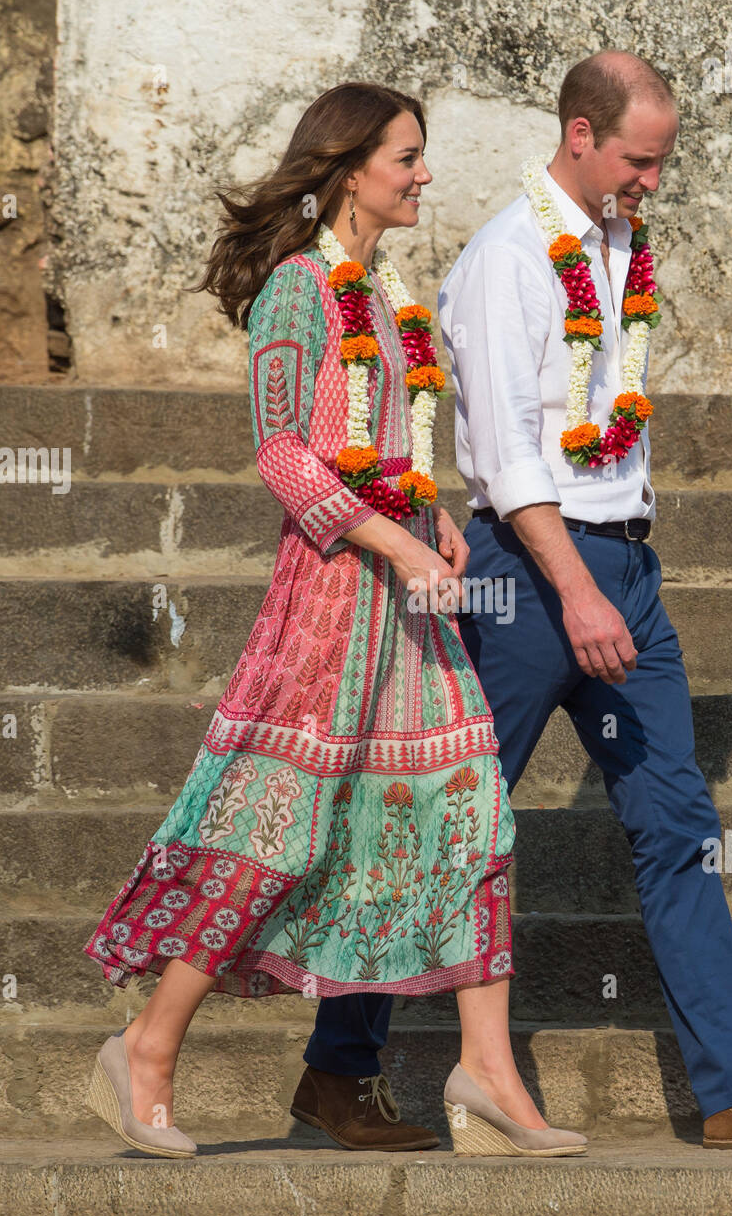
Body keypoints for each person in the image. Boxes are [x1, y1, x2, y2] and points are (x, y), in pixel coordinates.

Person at [308, 53, 732, 1151]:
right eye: (636, 160)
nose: (649, 182)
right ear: (578, 134)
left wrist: (616, 575)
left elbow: (604, 410)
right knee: (445, 821)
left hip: (626, 566)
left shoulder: (618, 245)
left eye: (659, 163)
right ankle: (336, 1069)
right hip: (529, 578)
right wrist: (573, 591)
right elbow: (506, 454)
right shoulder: (506, 255)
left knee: (677, 824)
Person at [82, 81, 586, 1160]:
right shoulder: (297, 292)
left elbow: (381, 441)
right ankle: (148, 1048)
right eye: (406, 157)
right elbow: (279, 452)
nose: (422, 174)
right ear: (348, 166)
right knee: (276, 831)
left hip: (407, 607)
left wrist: (432, 518)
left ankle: (487, 1074)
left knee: (471, 816)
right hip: (327, 606)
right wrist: (393, 538)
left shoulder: (384, 289)